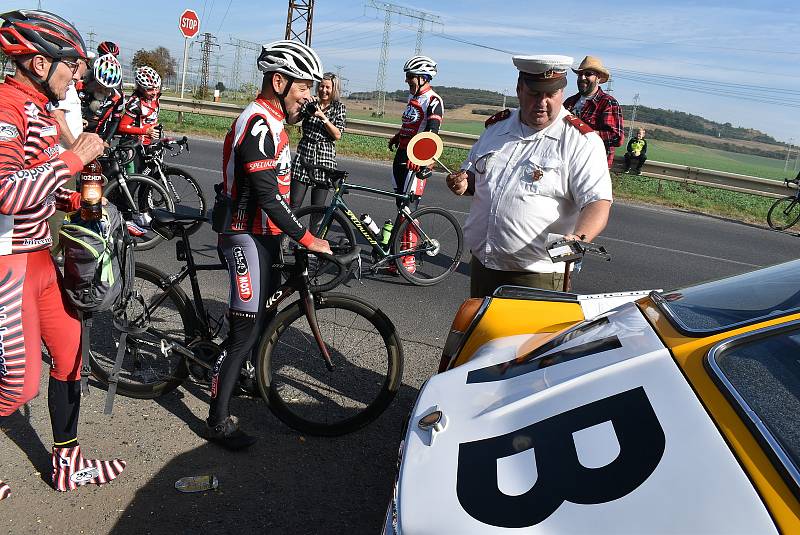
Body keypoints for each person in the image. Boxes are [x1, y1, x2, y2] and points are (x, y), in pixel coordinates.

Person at [0, 9, 126, 500]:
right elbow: (7, 192)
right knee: (18, 385)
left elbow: (39, 187)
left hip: (39, 259)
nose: (79, 73)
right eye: (70, 63)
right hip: (8, 264)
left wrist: (78, 200)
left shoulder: (40, 110)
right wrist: (75, 158)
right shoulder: (7, 108)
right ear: (36, 62)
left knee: (72, 355)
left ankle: (66, 465)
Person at [208, 40, 332, 450]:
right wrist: (308, 237)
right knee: (244, 329)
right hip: (243, 233)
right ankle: (218, 420)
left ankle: (243, 374)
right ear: (279, 82)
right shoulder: (258, 122)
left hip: (264, 235)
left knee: (261, 314)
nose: (309, 97)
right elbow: (267, 195)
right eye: (303, 88)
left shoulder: (275, 122)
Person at [445, 54, 613, 298]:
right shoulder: (496, 129)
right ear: (519, 90)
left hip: (538, 274)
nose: (543, 103)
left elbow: (598, 203)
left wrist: (577, 238)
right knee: (482, 336)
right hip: (484, 264)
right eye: (535, 94)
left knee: (530, 338)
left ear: (562, 93)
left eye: (551, 95)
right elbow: (475, 176)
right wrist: (464, 183)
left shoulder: (581, 141)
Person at [387, 55, 443, 273]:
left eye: (410, 77)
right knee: (401, 208)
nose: (407, 81)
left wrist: (420, 158)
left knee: (409, 209)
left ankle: (407, 259)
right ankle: (398, 254)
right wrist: (398, 135)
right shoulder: (413, 99)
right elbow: (412, 125)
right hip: (401, 157)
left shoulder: (433, 100)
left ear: (423, 77)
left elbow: (431, 134)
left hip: (415, 162)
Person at [290, 71, 347, 212]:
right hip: (304, 154)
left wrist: (322, 117)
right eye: (321, 86)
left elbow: (337, 134)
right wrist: (301, 105)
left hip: (324, 158)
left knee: (317, 208)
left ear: (334, 89)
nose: (324, 90)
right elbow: (291, 120)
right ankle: (287, 234)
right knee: (293, 204)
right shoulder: (311, 103)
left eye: (328, 87)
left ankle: (314, 234)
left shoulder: (339, 108)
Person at [563, 56, 624, 168]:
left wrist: (584, 132)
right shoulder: (569, 102)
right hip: (567, 163)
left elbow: (617, 137)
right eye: (580, 74)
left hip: (594, 166)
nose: (582, 78)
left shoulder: (608, 103)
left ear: (598, 78)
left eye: (588, 74)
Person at [117, 65, 161, 171]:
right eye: (150, 89)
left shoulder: (155, 98)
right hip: (131, 144)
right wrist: (146, 131)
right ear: (141, 88)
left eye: (157, 88)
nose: (154, 92)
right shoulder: (135, 103)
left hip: (146, 144)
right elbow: (121, 127)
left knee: (149, 177)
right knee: (132, 182)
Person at [78, 53, 125, 143]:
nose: (103, 91)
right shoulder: (78, 86)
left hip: (96, 137)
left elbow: (116, 119)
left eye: (108, 88)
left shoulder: (117, 97)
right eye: (100, 86)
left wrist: (106, 141)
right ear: (92, 79)